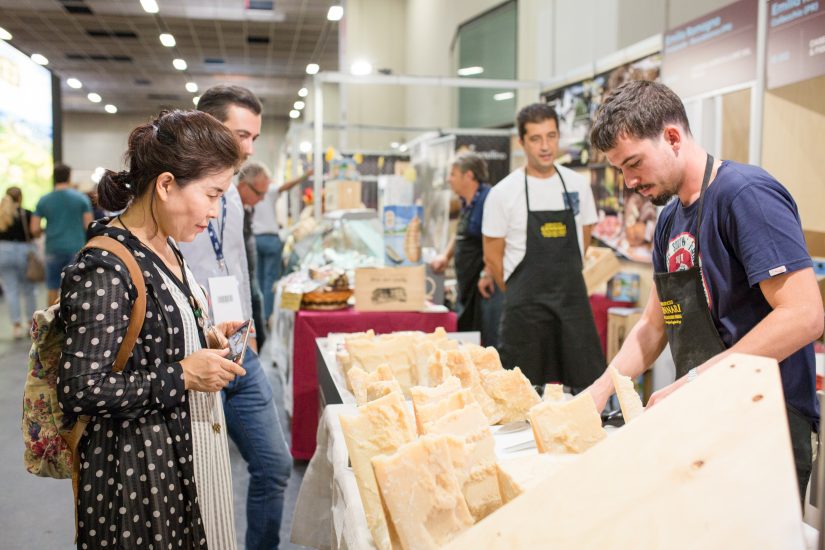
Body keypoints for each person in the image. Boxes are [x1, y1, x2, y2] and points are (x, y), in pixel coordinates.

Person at [586, 80, 823, 501]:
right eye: (621, 169)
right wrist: (598, 391)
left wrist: (695, 381)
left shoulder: (745, 196)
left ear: (673, 137)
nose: (628, 182)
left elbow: (804, 315)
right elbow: (652, 326)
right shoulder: (669, 219)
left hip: (765, 418)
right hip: (706, 414)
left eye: (634, 163)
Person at [58, 109, 248, 548]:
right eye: (212, 194)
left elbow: (151, 338)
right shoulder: (105, 266)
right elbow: (82, 387)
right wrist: (182, 374)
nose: (216, 212)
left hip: (180, 456)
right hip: (137, 479)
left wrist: (205, 337)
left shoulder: (167, 246)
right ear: (165, 185)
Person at [178, 84, 293, 550]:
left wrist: (251, 327)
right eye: (239, 135)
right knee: (196, 484)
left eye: (253, 138)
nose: (247, 148)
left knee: (273, 465)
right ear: (206, 126)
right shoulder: (175, 190)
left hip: (239, 350)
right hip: (193, 358)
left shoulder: (229, 196)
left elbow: (238, 265)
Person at [481, 103, 604, 388]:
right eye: (536, 139)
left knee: (586, 391)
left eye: (551, 136)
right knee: (522, 397)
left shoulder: (577, 185)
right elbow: (492, 258)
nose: (545, 146)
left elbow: (583, 240)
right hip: (525, 314)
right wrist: (519, 294)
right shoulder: (503, 194)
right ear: (522, 142)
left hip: (572, 307)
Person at [430, 152, 502, 346]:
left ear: (468, 175)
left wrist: (487, 272)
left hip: (483, 287)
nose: (448, 179)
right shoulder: (467, 202)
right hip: (467, 286)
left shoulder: (490, 200)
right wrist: (446, 256)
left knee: (485, 336)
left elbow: (498, 239)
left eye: (453, 174)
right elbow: (460, 234)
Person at [250, 163, 311, 325]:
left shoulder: (251, 192)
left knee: (258, 279)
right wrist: (306, 175)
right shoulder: (269, 191)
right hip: (270, 239)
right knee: (270, 280)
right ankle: (266, 317)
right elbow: (287, 186)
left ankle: (257, 316)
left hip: (255, 239)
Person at [30, 163, 93, 305]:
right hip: (76, 248)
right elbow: (88, 226)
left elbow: (34, 229)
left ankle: (51, 324)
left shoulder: (44, 200)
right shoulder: (81, 199)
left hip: (53, 248)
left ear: (54, 178)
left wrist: (46, 230)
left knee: (52, 286)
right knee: (76, 286)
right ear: (69, 177)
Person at [0, 186, 37, 338]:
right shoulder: (26, 213)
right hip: (23, 252)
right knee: (28, 289)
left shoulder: (1, 213)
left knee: (11, 290)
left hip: (3, 251)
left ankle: (16, 326)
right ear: (20, 197)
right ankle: (30, 323)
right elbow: (33, 232)